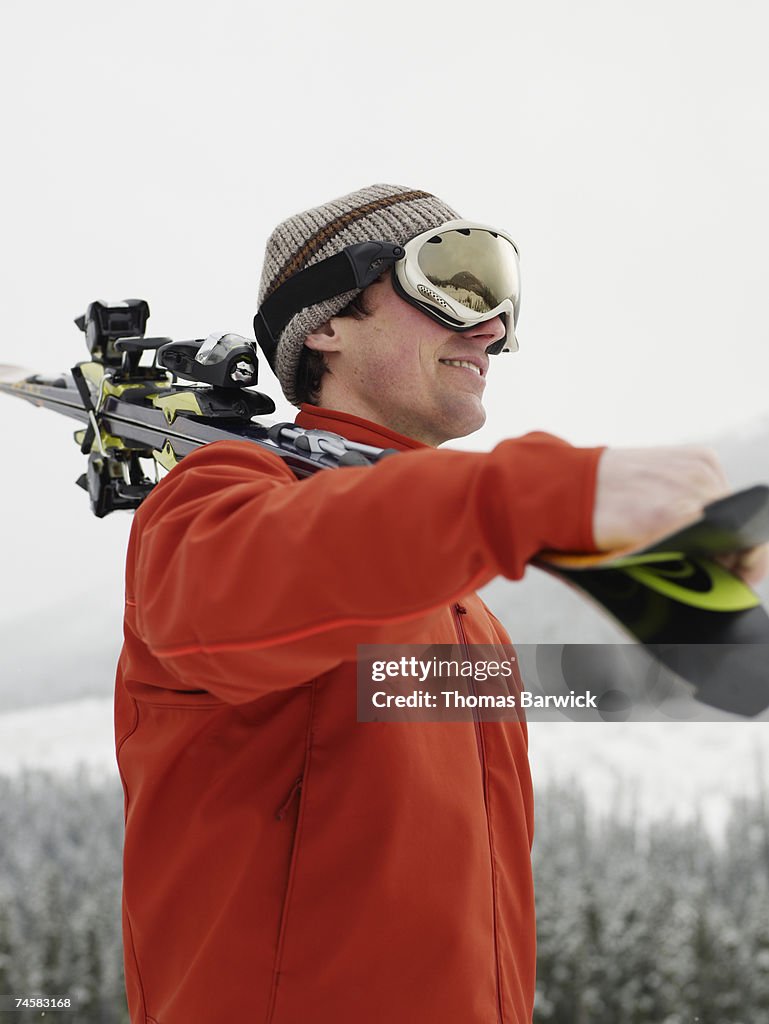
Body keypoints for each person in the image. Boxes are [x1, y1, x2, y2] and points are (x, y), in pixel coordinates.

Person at [114, 184, 768, 1024]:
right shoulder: (216, 504)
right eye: (453, 281)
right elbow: (249, 591)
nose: (491, 327)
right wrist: (538, 497)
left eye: (499, 295)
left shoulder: (464, 609)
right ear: (325, 322)